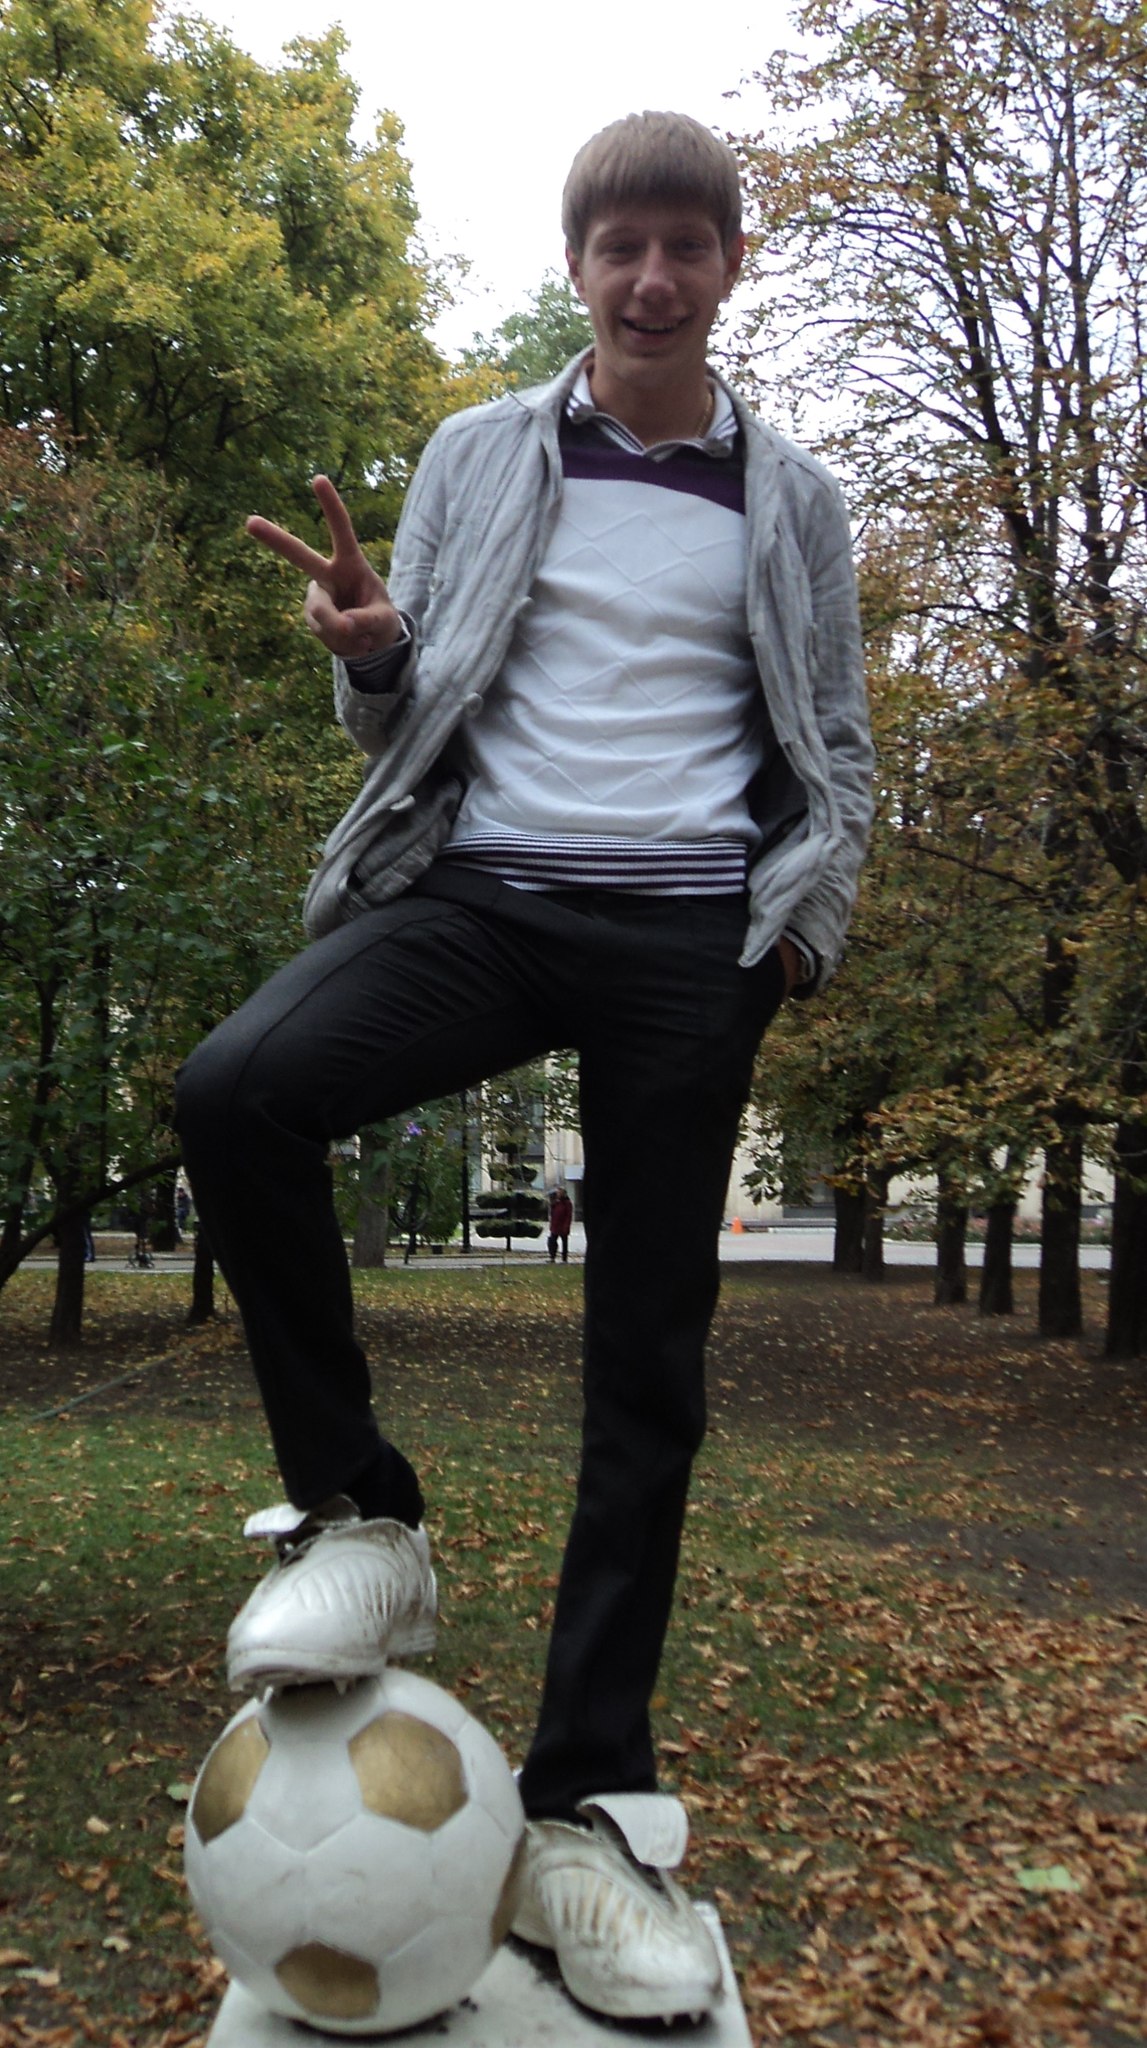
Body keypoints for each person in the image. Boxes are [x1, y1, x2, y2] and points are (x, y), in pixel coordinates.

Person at [175, 111, 872, 2024]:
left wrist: (791, 938)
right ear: (575, 266)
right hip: (481, 897)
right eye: (615, 246)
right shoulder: (480, 450)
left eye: (683, 244)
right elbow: (397, 704)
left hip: (688, 942)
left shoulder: (792, 501)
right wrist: (367, 649)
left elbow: (836, 745)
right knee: (237, 1090)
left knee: (646, 1371)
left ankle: (583, 1816)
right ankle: (361, 1516)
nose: (649, 278)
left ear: (728, 264)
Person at [547, 1186, 573, 1263]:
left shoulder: (567, 1203)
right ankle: (552, 1256)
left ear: (563, 1193)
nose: (557, 1194)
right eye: (557, 1192)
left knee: (564, 1242)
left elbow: (568, 1215)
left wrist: (566, 1226)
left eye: (559, 1192)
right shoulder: (556, 1202)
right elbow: (552, 1213)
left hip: (563, 1225)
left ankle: (564, 1258)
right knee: (552, 1241)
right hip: (555, 1225)